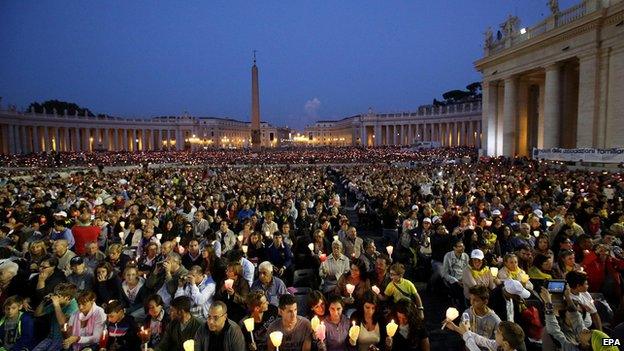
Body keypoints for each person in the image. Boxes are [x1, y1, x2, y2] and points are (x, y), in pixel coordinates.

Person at [32, 283, 78, 351]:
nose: (55, 298)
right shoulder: (58, 303)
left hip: (63, 339)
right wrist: (44, 301)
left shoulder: (74, 306)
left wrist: (56, 305)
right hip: (51, 337)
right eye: (55, 294)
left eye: (58, 296)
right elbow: (37, 314)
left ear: (67, 297)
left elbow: (63, 323)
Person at [444, 319, 526, 351]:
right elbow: (481, 340)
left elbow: (475, 349)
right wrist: (456, 328)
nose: (495, 333)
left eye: (497, 332)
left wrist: (466, 333)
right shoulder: (500, 346)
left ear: (506, 343)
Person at [441, 240, 470, 310]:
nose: (462, 248)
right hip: (453, 279)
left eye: (463, 246)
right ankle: (463, 308)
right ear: (454, 247)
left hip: (463, 278)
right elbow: (445, 273)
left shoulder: (465, 256)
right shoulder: (448, 256)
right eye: (460, 246)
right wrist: (456, 281)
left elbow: (468, 270)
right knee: (460, 289)